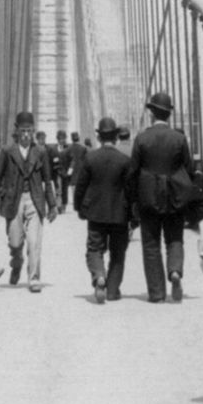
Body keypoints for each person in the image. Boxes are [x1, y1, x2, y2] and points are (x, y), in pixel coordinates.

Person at [127, 92, 194, 303]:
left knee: (151, 244)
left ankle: (156, 292)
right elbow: (190, 169)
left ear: (151, 113)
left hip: (148, 197)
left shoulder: (141, 138)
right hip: (174, 196)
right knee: (174, 239)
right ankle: (175, 271)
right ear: (169, 115)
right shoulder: (179, 138)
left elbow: (133, 172)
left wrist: (133, 200)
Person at [0, 111, 59, 293]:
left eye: (30, 131)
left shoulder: (40, 152)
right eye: (23, 131)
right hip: (13, 200)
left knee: (34, 242)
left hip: (34, 199)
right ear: (17, 131)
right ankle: (16, 263)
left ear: (33, 131)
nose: (26, 135)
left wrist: (53, 205)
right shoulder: (7, 151)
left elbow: (47, 180)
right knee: (15, 242)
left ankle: (34, 278)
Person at [73, 117, 135, 303]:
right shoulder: (125, 161)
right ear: (116, 137)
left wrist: (79, 207)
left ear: (99, 137)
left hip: (96, 213)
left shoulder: (90, 157)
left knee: (94, 249)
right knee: (118, 253)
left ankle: (99, 275)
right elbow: (131, 191)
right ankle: (113, 291)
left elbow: (81, 186)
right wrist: (133, 215)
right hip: (119, 214)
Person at [54, 129, 73, 213]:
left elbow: (73, 160)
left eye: (64, 138)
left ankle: (64, 205)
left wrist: (70, 171)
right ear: (57, 139)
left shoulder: (68, 149)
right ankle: (58, 206)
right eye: (61, 138)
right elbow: (50, 159)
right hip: (57, 172)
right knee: (58, 190)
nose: (62, 140)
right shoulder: (54, 149)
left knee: (65, 190)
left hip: (65, 173)